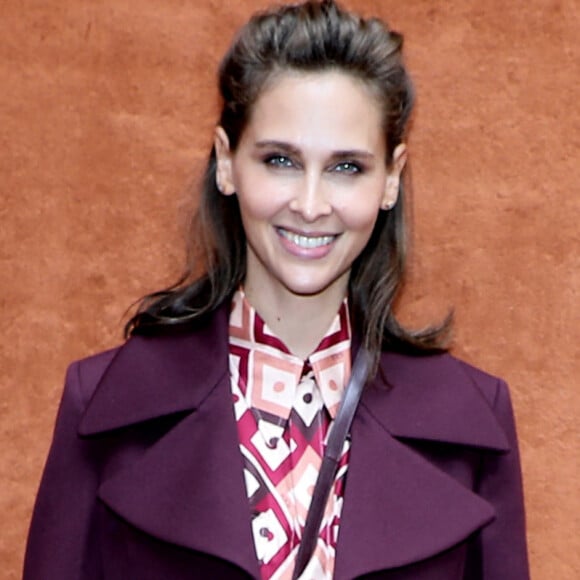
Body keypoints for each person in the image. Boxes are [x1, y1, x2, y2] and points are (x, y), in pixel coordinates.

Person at [23, 1, 529, 578]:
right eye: (281, 160)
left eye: (346, 168)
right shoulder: (105, 406)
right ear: (226, 163)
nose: (310, 205)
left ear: (391, 178)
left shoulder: (472, 421)